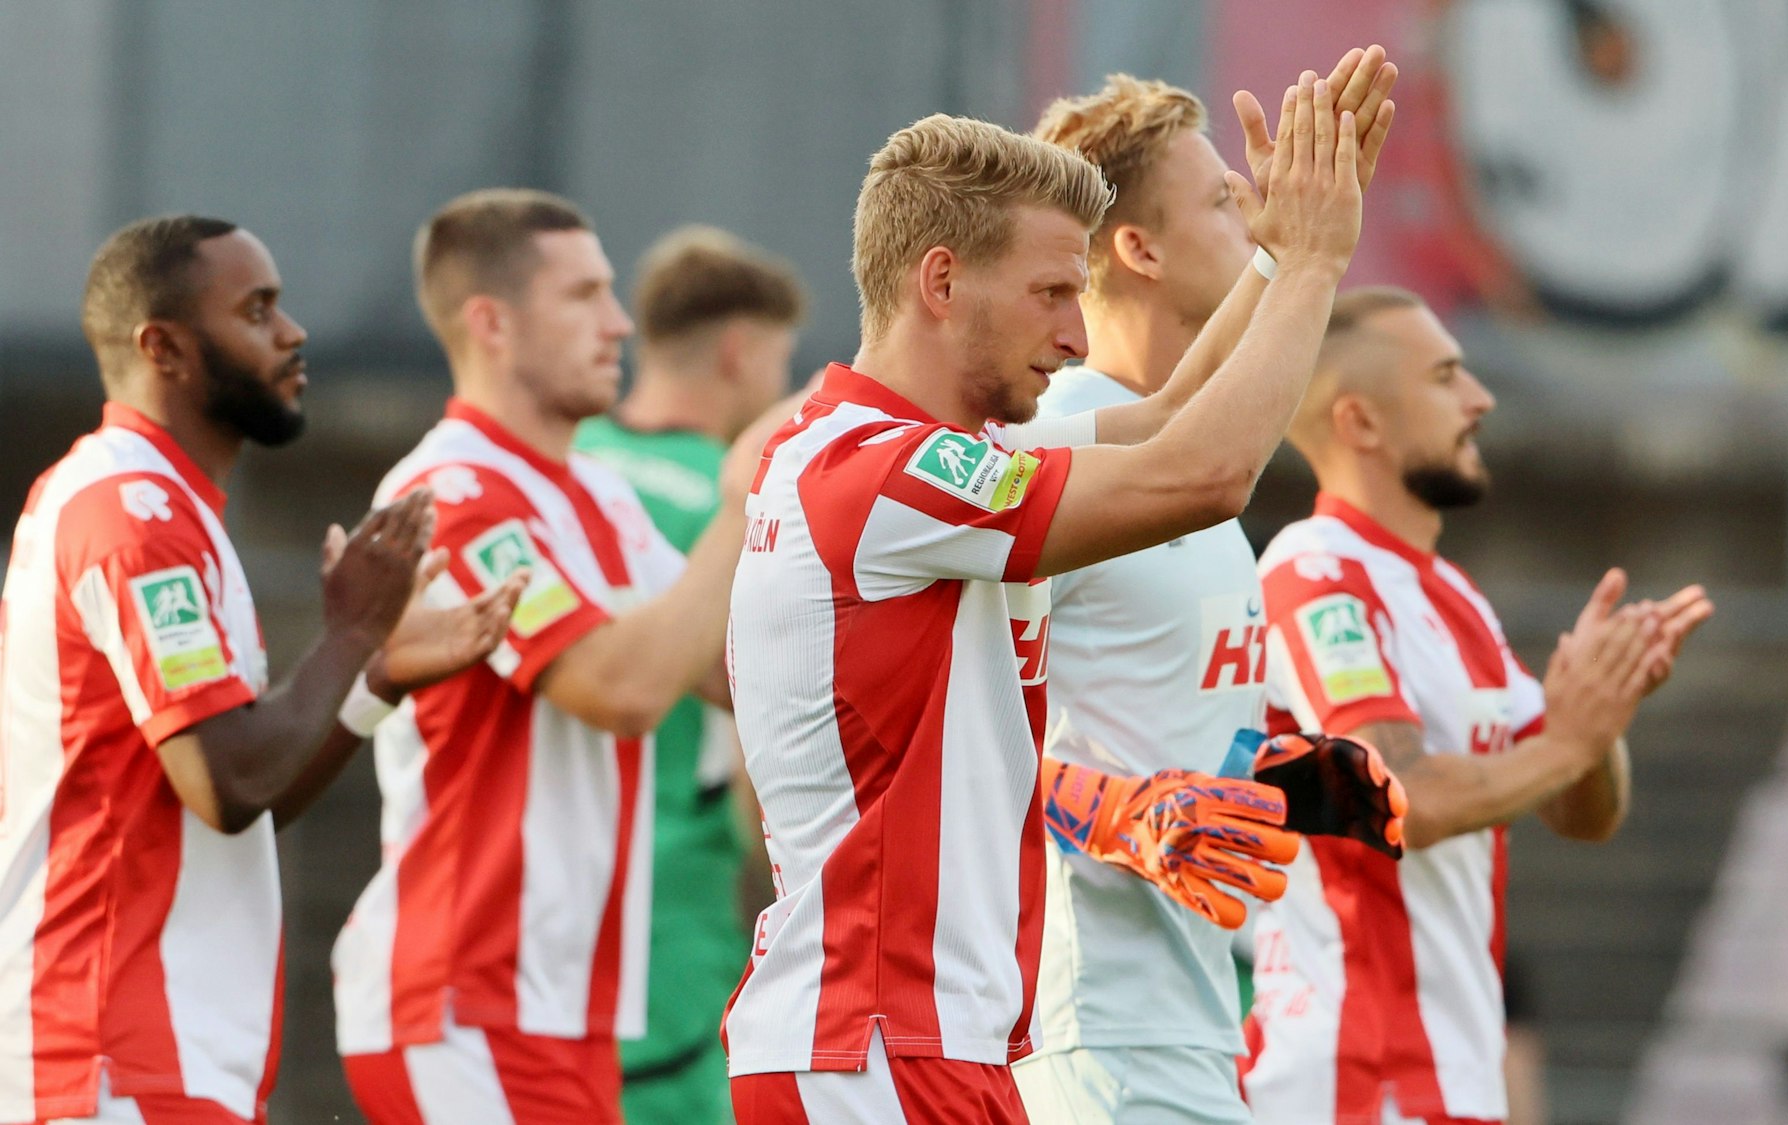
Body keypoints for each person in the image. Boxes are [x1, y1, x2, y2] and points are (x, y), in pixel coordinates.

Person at [725, 71, 1383, 1123]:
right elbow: (1203, 474)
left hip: (938, 1041)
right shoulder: (879, 470)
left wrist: (1277, 255)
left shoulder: (928, 456)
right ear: (942, 282)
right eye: (1049, 295)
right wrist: (1313, 263)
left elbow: (1166, 417)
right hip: (875, 1042)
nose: (1078, 337)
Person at [0, 215, 521, 1125]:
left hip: (158, 1052)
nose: (293, 332)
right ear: (162, 347)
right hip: (110, 1052)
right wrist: (351, 631)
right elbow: (230, 783)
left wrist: (377, 676)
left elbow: (252, 792)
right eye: (257, 310)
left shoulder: (163, 506)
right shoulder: (135, 513)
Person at [1011, 59, 1405, 1125]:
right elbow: (960, 734)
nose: (1256, 213)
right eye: (1226, 203)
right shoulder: (1060, 449)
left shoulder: (1183, 469)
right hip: (1087, 1024)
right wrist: (1119, 812)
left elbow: (1128, 716)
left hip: (1190, 1015)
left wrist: (1270, 773)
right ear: (1138, 250)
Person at [1241, 288, 1714, 1125]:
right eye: (1445, 376)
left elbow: (1582, 812)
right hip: (1355, 1077)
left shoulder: (1456, 597)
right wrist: (1566, 742)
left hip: (1455, 1074)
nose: (1480, 399)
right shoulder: (1314, 572)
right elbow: (1400, 796)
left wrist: (1598, 713)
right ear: (1360, 421)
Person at [332, 189, 750, 1123]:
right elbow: (620, 687)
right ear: (492, 323)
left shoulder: (601, 493)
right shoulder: (450, 491)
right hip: (464, 1003)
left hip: (567, 1009)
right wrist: (743, 499)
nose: (619, 323)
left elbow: (724, 670)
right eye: (584, 295)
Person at [573, 225, 806, 1124]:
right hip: (670, 914)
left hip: (527, 907)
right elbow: (762, 719)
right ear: (740, 350)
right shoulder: (742, 497)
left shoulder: (560, 463)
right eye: (780, 359)